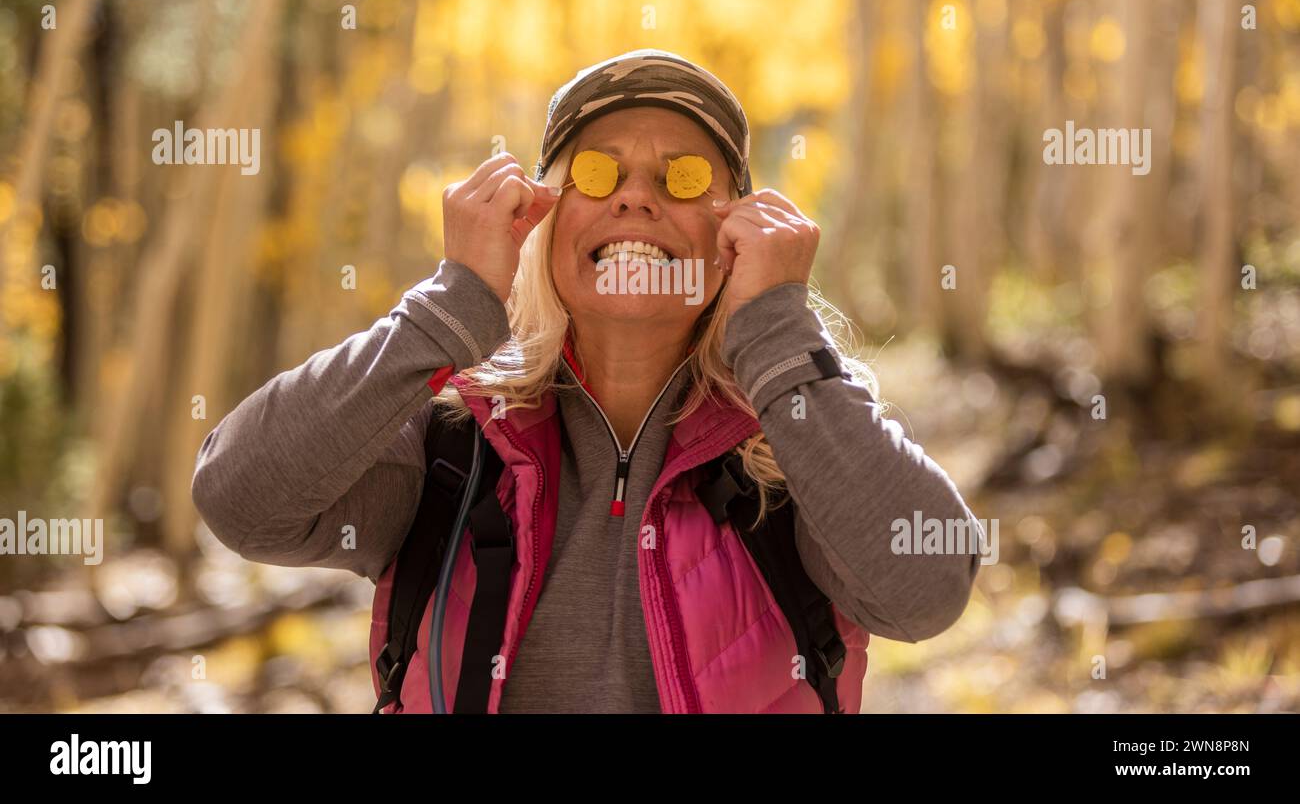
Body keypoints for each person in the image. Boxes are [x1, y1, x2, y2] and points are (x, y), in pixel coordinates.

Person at [192, 48, 984, 713]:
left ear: (736, 235)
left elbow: (929, 587)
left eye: (682, 180)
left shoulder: (800, 443)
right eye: (598, 173)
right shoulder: (451, 449)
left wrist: (776, 331)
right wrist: (448, 310)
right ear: (540, 218)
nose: (636, 195)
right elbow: (239, 500)